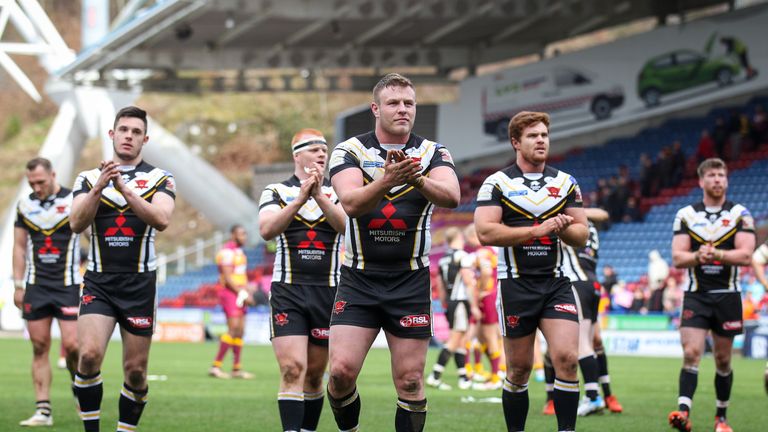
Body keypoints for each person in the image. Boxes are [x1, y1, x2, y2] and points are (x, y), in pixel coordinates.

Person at [326, 72, 460, 431]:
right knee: (340, 373)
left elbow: (452, 196)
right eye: (394, 103)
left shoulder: (433, 152)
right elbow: (351, 203)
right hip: (359, 279)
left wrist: (416, 178)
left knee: (412, 381)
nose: (403, 109)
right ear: (376, 108)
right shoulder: (350, 150)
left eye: (409, 103)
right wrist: (387, 179)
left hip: (410, 281)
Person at [474, 111, 588, 432]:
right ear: (515, 142)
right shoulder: (497, 182)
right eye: (533, 136)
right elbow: (485, 232)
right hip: (515, 287)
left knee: (567, 358)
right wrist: (537, 231)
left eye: (544, 136)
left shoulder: (565, 182)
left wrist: (564, 229)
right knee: (520, 369)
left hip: (556, 285)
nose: (541, 141)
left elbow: (581, 234)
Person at [70, 106, 176, 432]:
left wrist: (125, 188)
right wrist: (100, 186)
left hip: (139, 284)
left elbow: (161, 219)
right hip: (99, 282)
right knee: (87, 356)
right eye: (123, 130)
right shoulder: (88, 178)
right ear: (112, 134)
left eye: (135, 131)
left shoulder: (160, 178)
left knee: (135, 372)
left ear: (145, 138)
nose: (128, 136)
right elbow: (76, 223)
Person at [258, 128, 346, 432]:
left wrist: (319, 196)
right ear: (297, 155)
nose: (322, 153)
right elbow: (267, 229)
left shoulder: (338, 192)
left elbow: (346, 227)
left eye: (324, 149)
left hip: (329, 292)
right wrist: (299, 200)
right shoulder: (275, 191)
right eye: (314, 149)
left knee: (314, 377)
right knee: (292, 368)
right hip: (288, 292)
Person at [668, 158, 755, 432]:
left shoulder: (741, 214)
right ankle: (683, 413)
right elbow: (678, 257)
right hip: (697, 294)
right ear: (701, 181)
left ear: (726, 180)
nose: (717, 179)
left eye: (721, 175)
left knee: (723, 360)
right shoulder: (686, 215)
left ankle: (721, 418)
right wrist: (697, 256)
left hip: (727, 294)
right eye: (712, 175)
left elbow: (746, 254)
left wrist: (716, 253)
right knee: (692, 352)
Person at [13, 157, 81, 426]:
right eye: (32, 183)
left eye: (41, 181)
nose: (36, 187)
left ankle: (81, 391)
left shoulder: (75, 200)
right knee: (39, 346)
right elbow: (18, 247)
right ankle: (43, 410)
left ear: (53, 175)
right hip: (36, 286)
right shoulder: (25, 205)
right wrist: (18, 285)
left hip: (68, 285)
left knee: (74, 346)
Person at [426, 227, 477, 391]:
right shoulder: (463, 256)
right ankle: (435, 375)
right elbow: (468, 281)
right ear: (460, 237)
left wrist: (445, 304)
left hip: (450, 302)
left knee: (461, 340)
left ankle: (464, 378)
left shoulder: (443, 259)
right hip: (461, 301)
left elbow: (440, 286)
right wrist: (474, 305)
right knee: (455, 340)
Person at [209, 224, 255, 379]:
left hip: (240, 294)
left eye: (245, 233)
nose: (245, 237)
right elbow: (228, 278)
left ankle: (236, 369)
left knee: (240, 331)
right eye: (241, 234)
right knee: (233, 328)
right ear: (233, 235)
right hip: (230, 294)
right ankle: (216, 366)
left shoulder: (239, 252)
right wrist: (242, 292)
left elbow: (240, 275)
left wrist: (247, 290)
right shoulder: (227, 252)